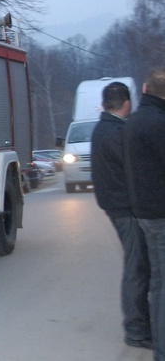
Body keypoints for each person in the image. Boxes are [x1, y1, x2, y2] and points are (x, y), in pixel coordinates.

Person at [91, 81, 151, 350]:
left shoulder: (102, 128)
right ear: (127, 104)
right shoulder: (116, 132)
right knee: (136, 267)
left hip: (114, 204)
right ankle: (136, 329)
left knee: (136, 264)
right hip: (125, 206)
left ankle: (139, 325)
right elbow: (134, 170)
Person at [126, 67, 165, 360]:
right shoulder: (158, 123)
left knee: (156, 278)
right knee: (162, 283)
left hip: (142, 209)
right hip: (159, 212)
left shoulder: (133, 122)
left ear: (144, 89)